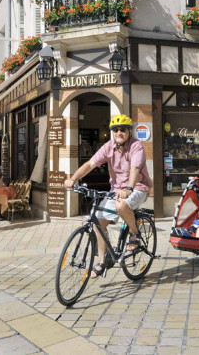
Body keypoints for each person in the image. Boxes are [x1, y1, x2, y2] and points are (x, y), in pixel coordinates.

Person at [64, 114, 152, 278]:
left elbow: (135, 169)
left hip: (138, 187)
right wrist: (73, 178)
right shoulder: (108, 147)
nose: (119, 132)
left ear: (129, 131)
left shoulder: (136, 146)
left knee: (121, 206)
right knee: (98, 220)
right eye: (116, 129)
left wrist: (129, 188)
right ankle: (103, 261)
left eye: (123, 129)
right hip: (116, 189)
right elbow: (91, 164)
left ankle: (135, 234)